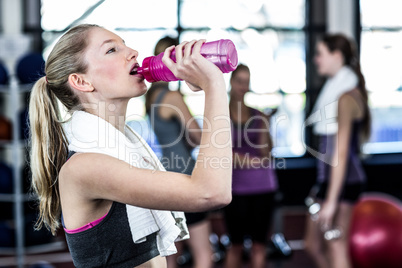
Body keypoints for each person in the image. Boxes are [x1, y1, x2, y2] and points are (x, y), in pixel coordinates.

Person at [29, 24, 232, 268]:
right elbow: (212, 192)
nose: (134, 52)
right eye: (112, 50)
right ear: (81, 81)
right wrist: (214, 86)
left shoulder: (128, 149)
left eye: (125, 44)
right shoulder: (84, 167)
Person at [145, 36, 213, 268]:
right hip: (185, 177)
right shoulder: (173, 97)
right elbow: (198, 136)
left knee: (171, 254)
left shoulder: (151, 98)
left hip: (166, 177)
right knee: (204, 253)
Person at [304, 34, 371, 268]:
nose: (316, 60)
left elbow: (340, 154)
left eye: (320, 54)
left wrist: (331, 201)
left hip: (343, 183)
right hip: (329, 180)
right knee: (311, 244)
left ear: (337, 56)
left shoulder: (346, 98)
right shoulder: (338, 92)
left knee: (336, 245)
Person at [223, 64, 278, 268]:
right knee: (235, 246)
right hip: (234, 189)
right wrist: (252, 161)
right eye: (239, 81)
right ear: (231, 83)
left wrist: (266, 124)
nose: (243, 87)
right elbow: (222, 154)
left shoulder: (258, 115)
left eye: (247, 82)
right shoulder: (221, 116)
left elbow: (266, 153)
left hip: (263, 187)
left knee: (258, 247)